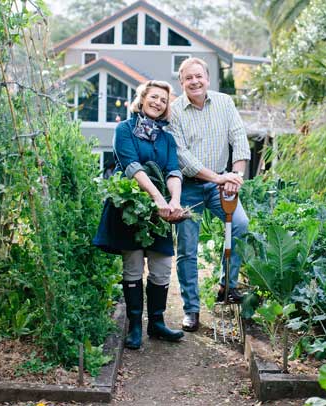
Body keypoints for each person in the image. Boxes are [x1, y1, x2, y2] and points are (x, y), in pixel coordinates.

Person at [93, 80, 184, 349]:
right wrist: (156, 197)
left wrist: (174, 201)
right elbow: (131, 165)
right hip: (130, 207)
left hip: (162, 212)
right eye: (154, 97)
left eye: (164, 100)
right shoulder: (125, 130)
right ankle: (134, 326)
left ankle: (156, 323)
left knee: (162, 266)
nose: (158, 103)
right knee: (132, 265)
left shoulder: (167, 138)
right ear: (142, 99)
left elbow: (173, 171)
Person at [169, 57, 251, 332]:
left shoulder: (224, 103)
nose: (194, 82)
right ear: (181, 83)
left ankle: (227, 286)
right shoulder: (175, 111)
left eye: (198, 76)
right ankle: (191, 310)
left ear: (207, 78)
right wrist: (219, 177)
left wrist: (235, 178)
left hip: (221, 185)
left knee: (240, 224)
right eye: (188, 78)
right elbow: (182, 156)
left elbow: (239, 138)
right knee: (188, 249)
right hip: (189, 186)